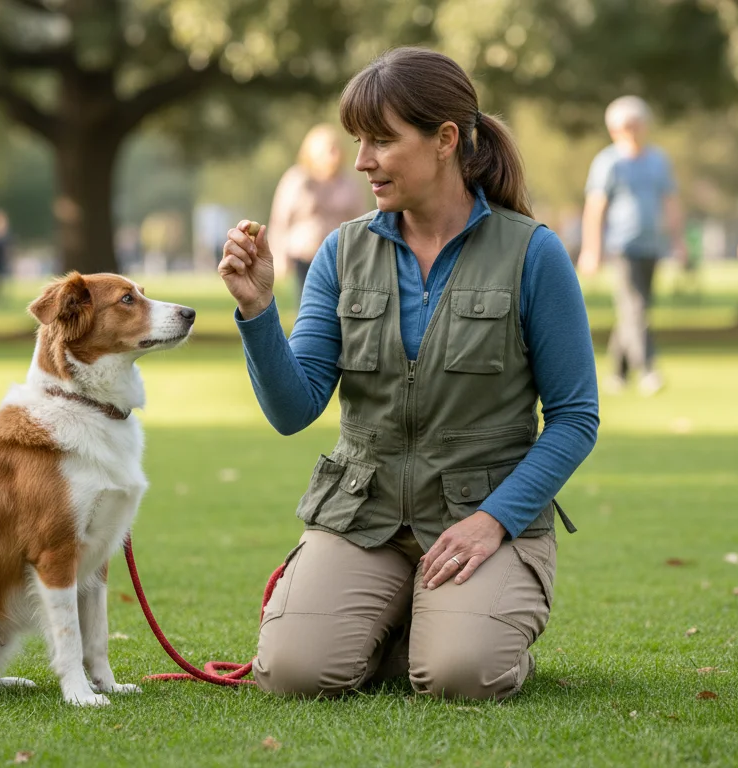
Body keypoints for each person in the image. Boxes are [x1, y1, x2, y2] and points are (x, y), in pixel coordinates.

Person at [218, 47, 599, 701]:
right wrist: (256, 310)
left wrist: (496, 520)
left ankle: (458, 629)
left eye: (381, 141)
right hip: (363, 518)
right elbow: (293, 409)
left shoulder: (533, 254)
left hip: (479, 519)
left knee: (459, 675)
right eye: (358, 141)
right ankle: (403, 620)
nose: (362, 160)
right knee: (293, 675)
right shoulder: (342, 252)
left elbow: (575, 417)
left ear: (445, 140)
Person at [577, 95, 684, 396]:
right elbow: (595, 208)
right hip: (621, 247)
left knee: (635, 309)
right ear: (614, 129)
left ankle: (618, 374)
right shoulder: (608, 162)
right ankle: (648, 369)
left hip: (653, 246)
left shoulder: (658, 161)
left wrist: (678, 242)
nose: (631, 130)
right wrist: (591, 250)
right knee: (635, 308)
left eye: (636, 124)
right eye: (625, 126)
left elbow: (671, 202)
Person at [267, 124, 370, 305]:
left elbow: (361, 221)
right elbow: (280, 220)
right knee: (308, 306)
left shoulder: (348, 183)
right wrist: (279, 257)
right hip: (305, 257)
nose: (334, 155)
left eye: (336, 149)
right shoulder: (296, 180)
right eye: (328, 150)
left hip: (340, 259)